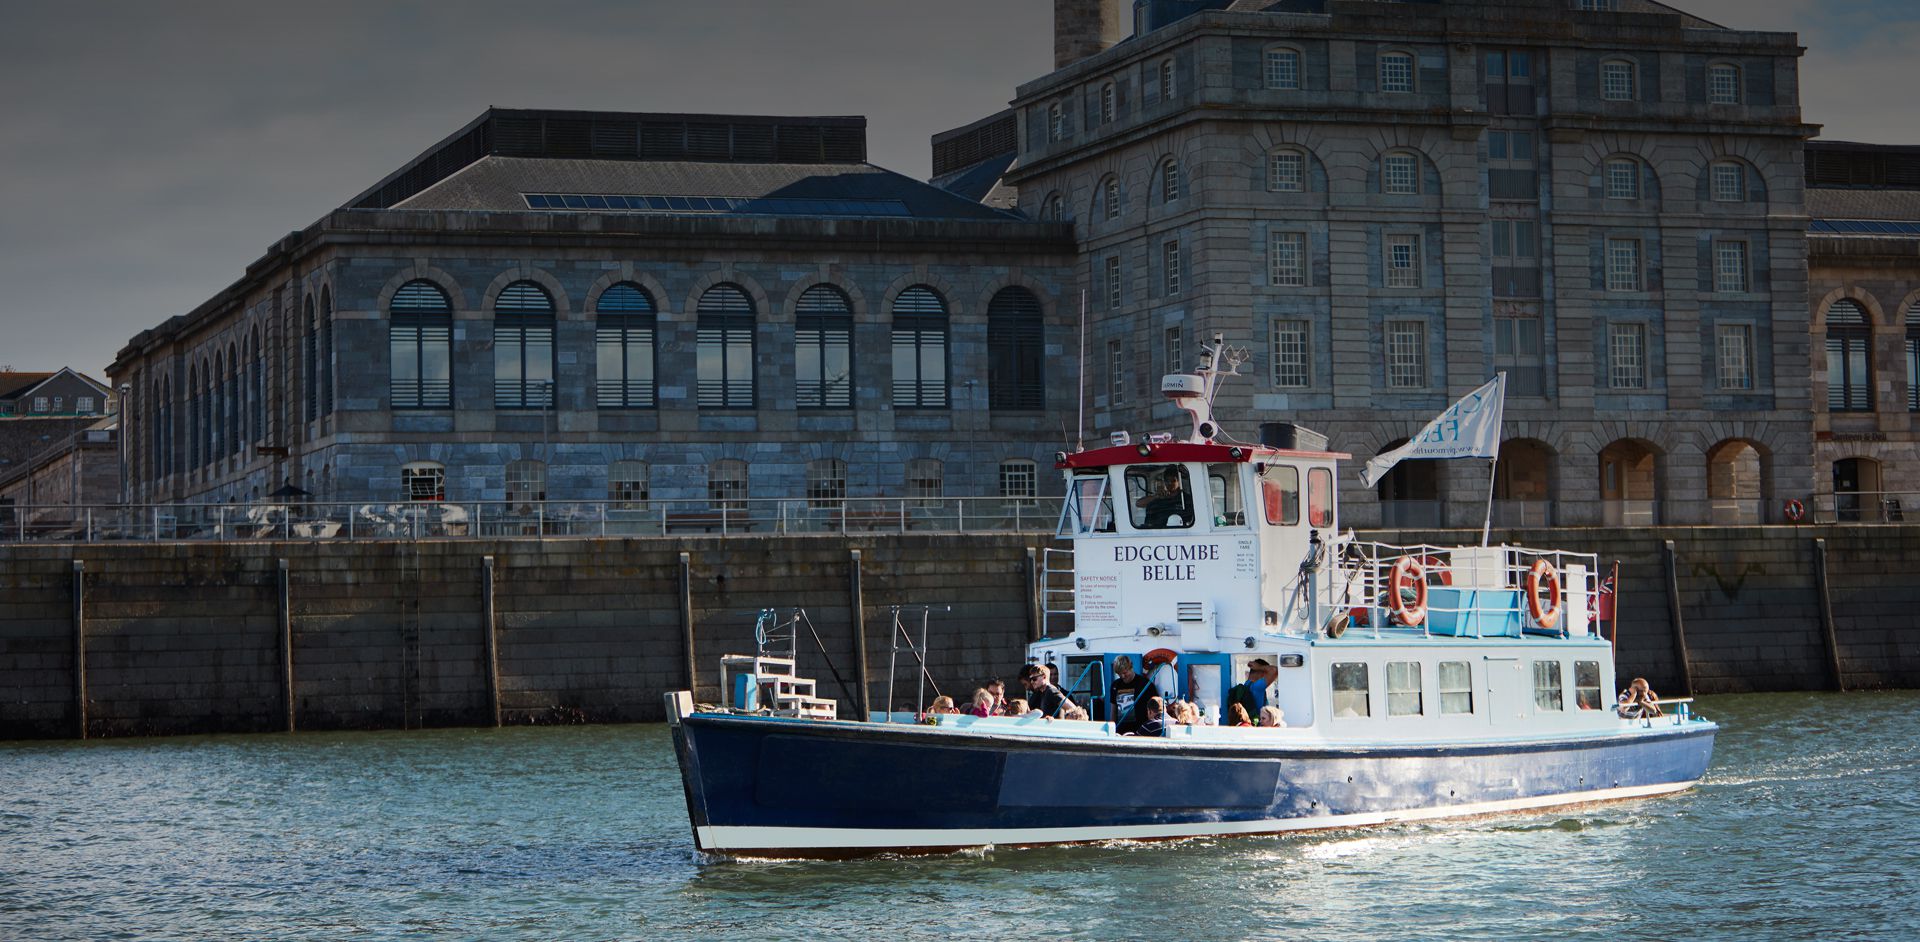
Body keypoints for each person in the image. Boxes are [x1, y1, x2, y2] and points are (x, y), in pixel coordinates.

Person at [1109, 655, 1158, 734]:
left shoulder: (1145, 684)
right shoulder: (1115, 685)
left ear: (1131, 667)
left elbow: (1155, 708)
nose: (1122, 676)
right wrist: (1111, 730)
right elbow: (1113, 710)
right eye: (1119, 674)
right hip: (1121, 731)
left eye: (1125, 672)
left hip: (1141, 731)